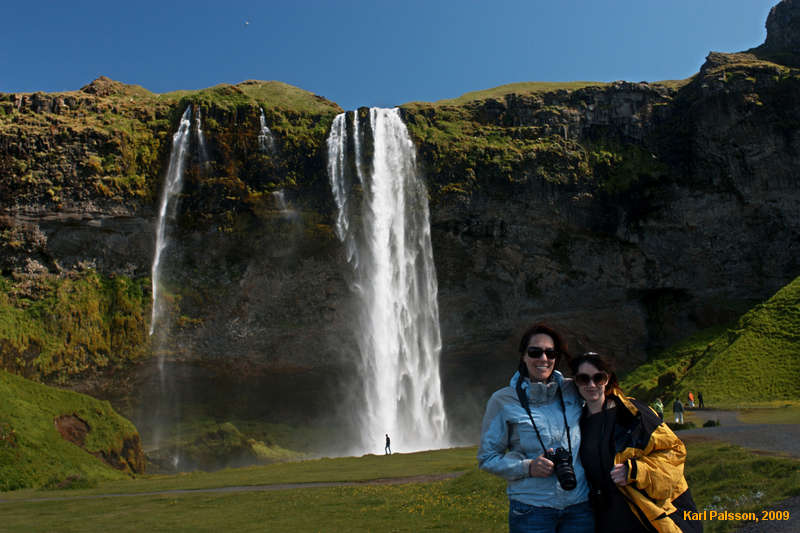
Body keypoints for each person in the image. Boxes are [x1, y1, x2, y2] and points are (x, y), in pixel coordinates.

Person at [478, 323, 593, 533]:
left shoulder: (573, 389)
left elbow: (603, 393)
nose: (543, 359)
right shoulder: (503, 400)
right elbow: (487, 458)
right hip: (531, 510)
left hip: (579, 507)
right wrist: (528, 467)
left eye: (551, 353)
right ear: (523, 356)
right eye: (535, 352)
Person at [571, 353, 701, 533]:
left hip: (647, 516)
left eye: (598, 378)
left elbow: (675, 451)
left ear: (607, 379)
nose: (591, 385)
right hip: (605, 519)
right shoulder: (576, 422)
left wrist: (635, 471)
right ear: (575, 382)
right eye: (583, 379)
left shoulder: (632, 413)